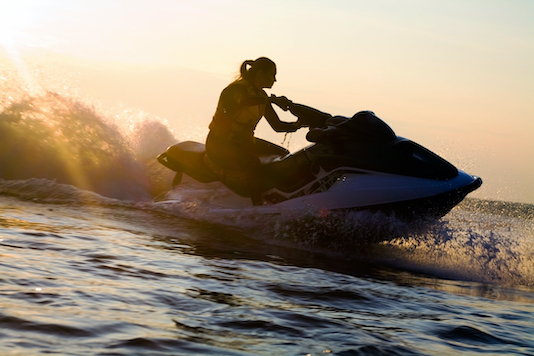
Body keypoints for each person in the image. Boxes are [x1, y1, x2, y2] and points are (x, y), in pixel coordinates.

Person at [205, 57, 301, 205]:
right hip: (219, 145)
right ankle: (257, 205)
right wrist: (271, 101)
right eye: (272, 75)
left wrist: (300, 124)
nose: (274, 80)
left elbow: (277, 125)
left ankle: (277, 195)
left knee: (283, 156)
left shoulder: (261, 96)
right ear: (260, 74)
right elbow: (241, 102)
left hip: (243, 143)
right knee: (252, 164)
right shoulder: (234, 89)